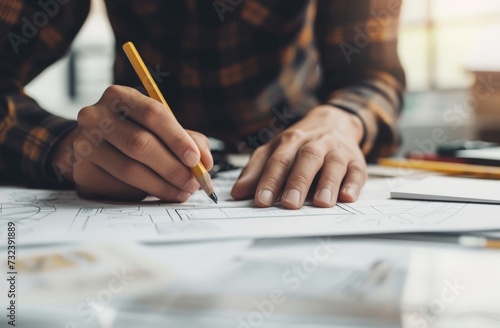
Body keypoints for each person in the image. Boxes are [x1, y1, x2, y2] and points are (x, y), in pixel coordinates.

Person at [0, 0, 405, 210]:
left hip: (297, 158)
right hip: (125, 159)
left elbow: (373, 73)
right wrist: (68, 147)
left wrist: (343, 119)